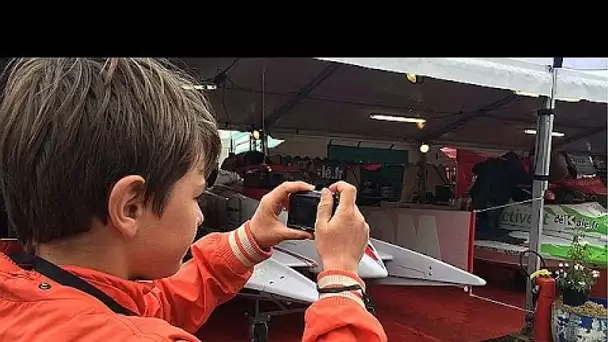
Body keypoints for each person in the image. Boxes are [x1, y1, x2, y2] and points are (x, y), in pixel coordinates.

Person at [0, 58, 387, 342]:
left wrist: (250, 240)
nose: (200, 215)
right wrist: (340, 280)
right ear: (130, 207)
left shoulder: (41, 299)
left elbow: (146, 306)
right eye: (197, 196)